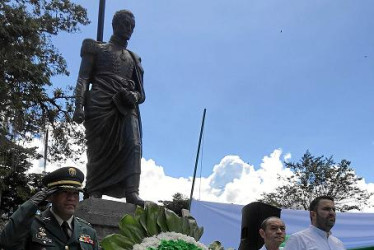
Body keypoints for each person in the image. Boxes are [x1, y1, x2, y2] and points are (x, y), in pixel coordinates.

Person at [72, 9, 145, 206]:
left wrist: (134, 96)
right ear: (115, 25)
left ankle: (132, 191)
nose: (129, 29)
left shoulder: (134, 58)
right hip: (99, 103)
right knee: (97, 148)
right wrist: (78, 106)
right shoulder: (95, 48)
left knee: (133, 144)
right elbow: (83, 77)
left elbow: (142, 94)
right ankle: (95, 189)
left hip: (125, 106)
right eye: (125, 25)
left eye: (132, 26)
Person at [0, 167, 98, 250]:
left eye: (75, 193)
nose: (71, 198)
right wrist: (31, 204)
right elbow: (6, 242)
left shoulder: (88, 231)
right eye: (65, 192)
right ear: (50, 196)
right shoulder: (31, 224)